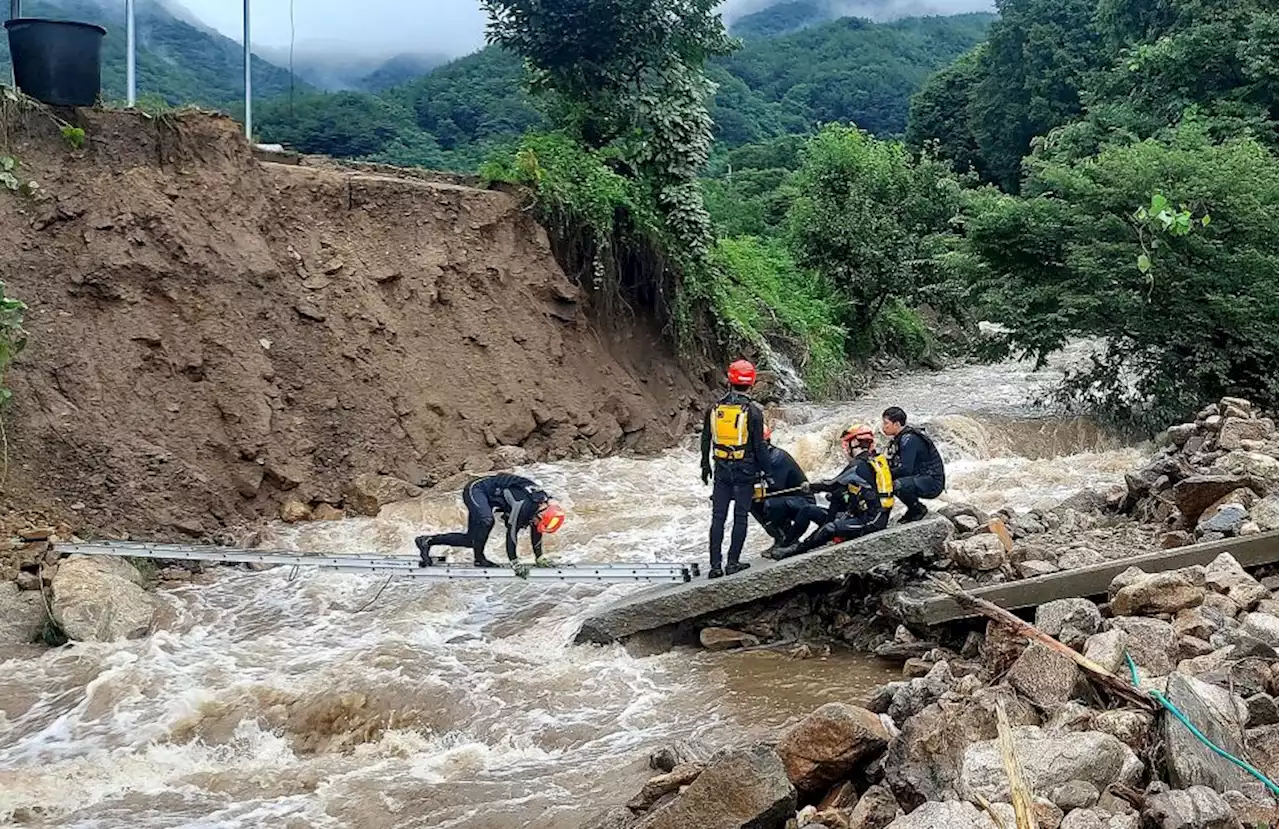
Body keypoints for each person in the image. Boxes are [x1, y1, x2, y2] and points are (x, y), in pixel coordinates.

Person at [769, 424, 894, 559]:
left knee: (830, 528)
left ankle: (796, 550)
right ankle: (786, 544)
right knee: (808, 510)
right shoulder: (872, 460)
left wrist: (810, 487)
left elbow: (831, 484)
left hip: (871, 521)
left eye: (847, 444)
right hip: (856, 515)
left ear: (855, 443)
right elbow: (842, 486)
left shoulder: (858, 466)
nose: (845, 449)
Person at [701, 359, 774, 579]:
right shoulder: (752, 411)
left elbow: (706, 438)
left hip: (721, 468)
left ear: (730, 381)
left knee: (718, 517)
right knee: (740, 516)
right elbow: (759, 447)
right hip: (745, 469)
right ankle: (732, 562)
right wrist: (768, 472)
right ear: (751, 383)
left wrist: (705, 465)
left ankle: (715, 566)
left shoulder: (714, 408)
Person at [415, 474, 567, 568]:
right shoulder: (525, 506)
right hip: (478, 489)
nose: (535, 524)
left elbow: (537, 532)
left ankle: (426, 541)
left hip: (491, 497)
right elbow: (512, 534)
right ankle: (480, 560)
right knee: (487, 520)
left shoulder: (541, 508)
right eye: (537, 521)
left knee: (471, 540)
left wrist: (539, 558)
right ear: (541, 513)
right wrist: (514, 562)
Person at [750, 424, 822, 554]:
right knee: (751, 502)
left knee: (769, 504)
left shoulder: (776, 457)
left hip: (802, 502)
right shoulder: (759, 458)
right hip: (785, 498)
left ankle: (788, 539)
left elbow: (775, 487)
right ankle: (779, 538)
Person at [881, 406, 946, 523]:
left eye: (886, 423)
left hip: (932, 481)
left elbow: (905, 469)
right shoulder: (899, 439)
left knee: (897, 485)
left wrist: (883, 474)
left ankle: (917, 509)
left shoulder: (909, 439)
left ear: (896, 424)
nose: (883, 426)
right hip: (920, 477)